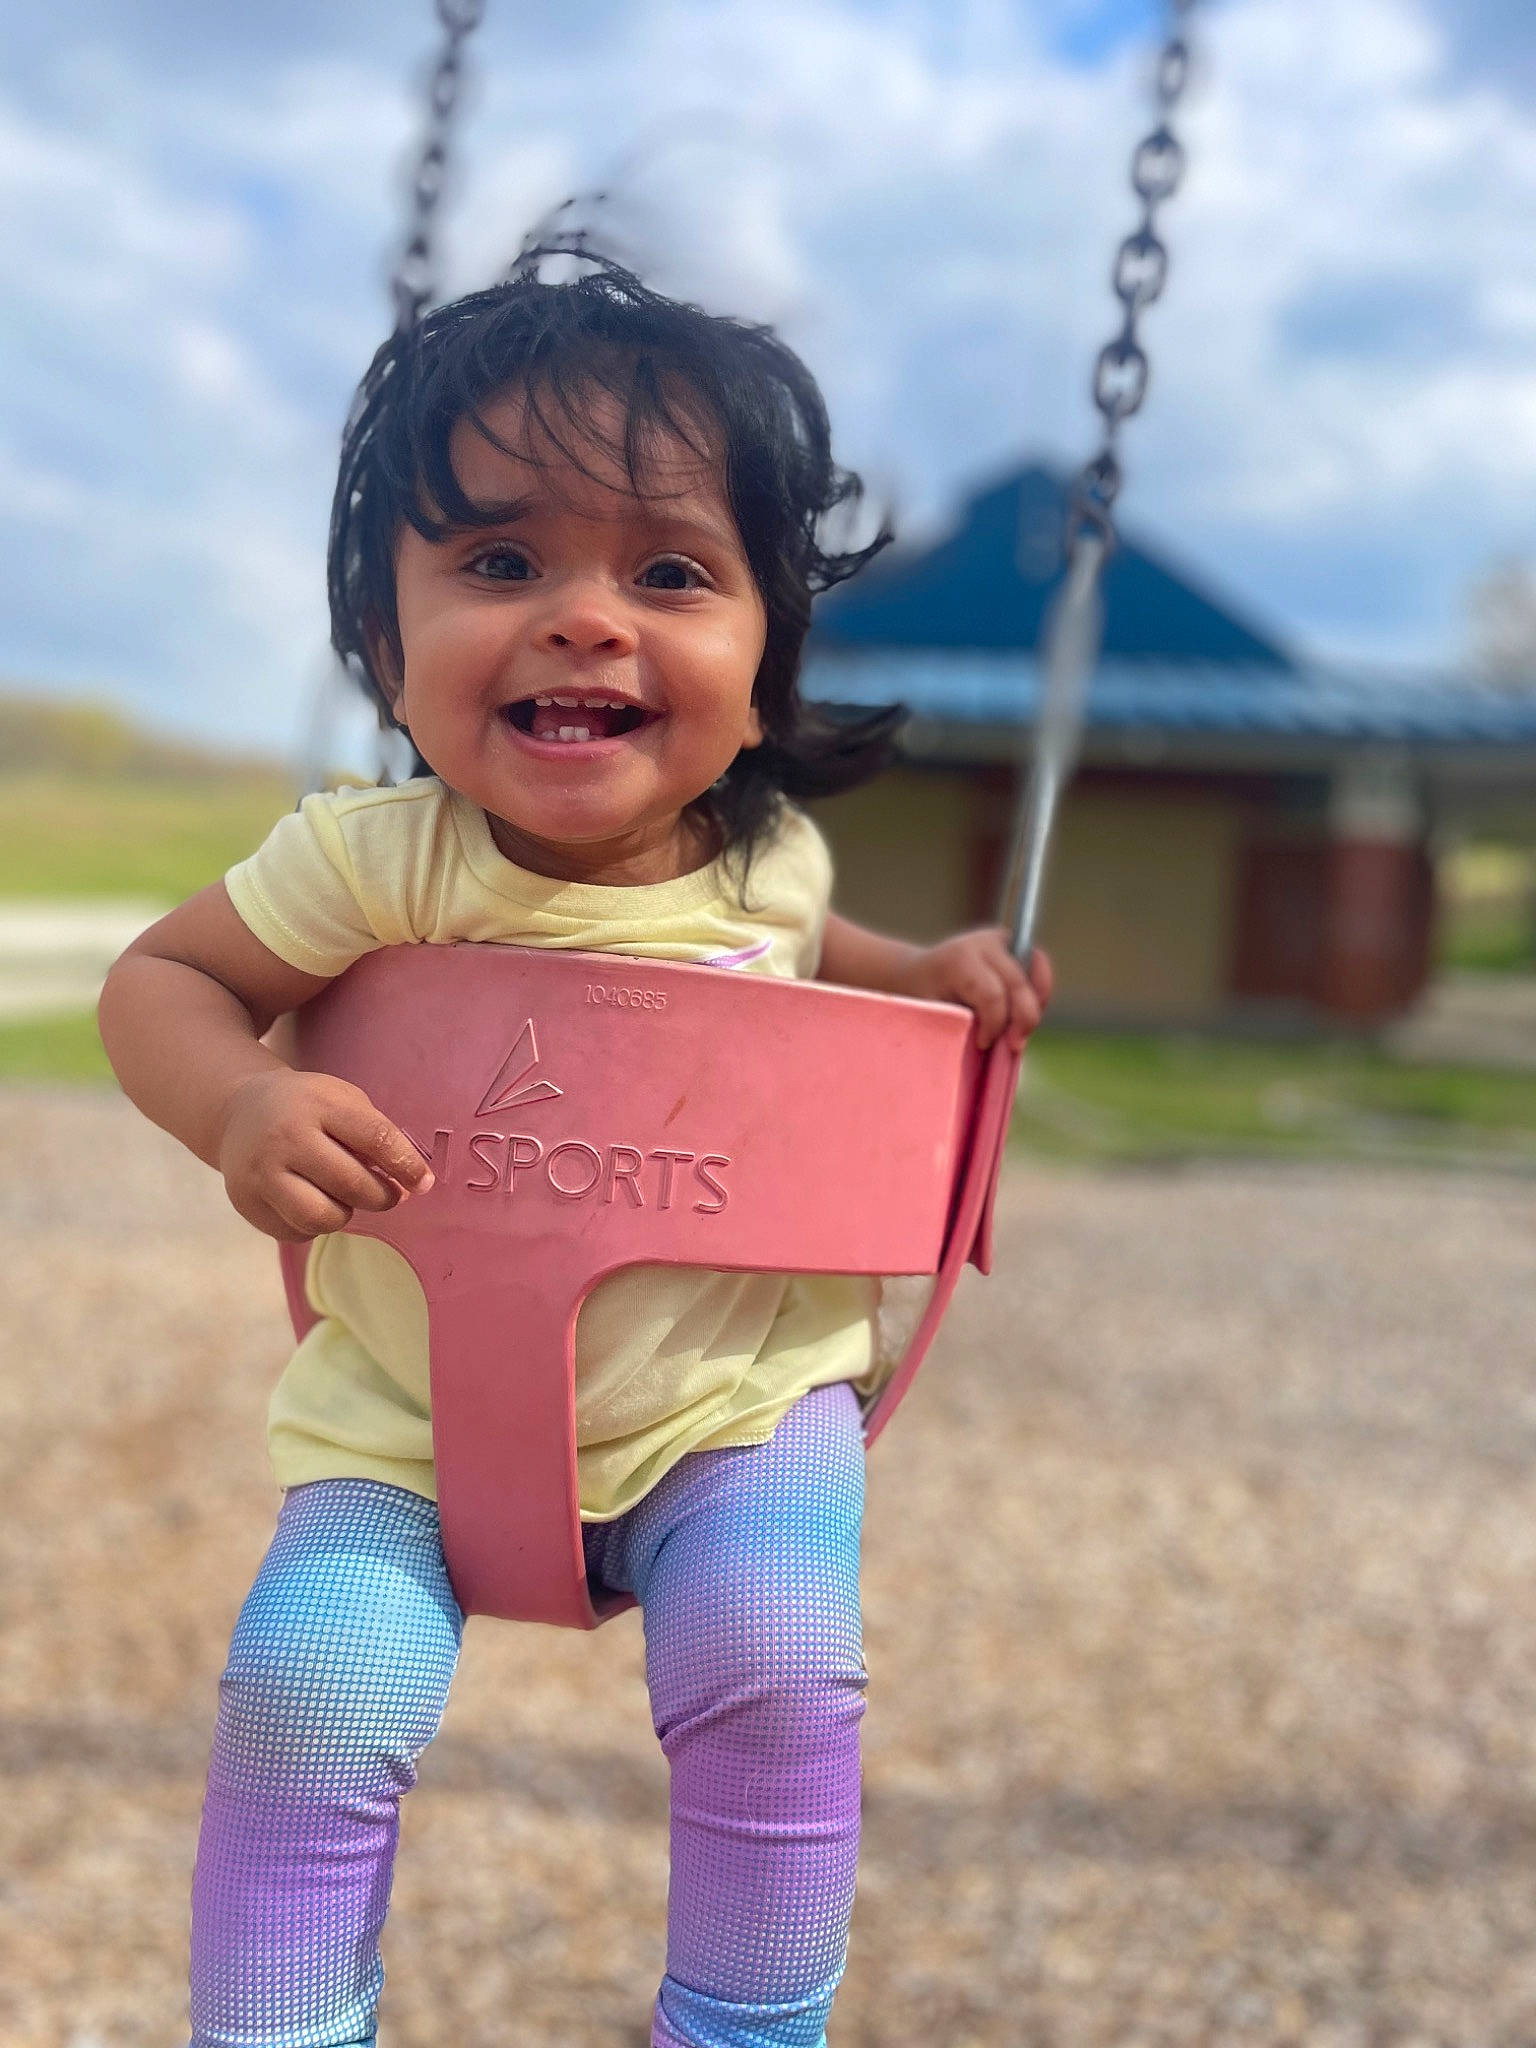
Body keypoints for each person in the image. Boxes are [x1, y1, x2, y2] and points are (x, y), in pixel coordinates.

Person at [98, 255, 1052, 2048]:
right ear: (386, 646)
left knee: (778, 1661)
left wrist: (933, 981)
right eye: (500, 561)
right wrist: (237, 1101)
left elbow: (820, 972)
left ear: (765, 674)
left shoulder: (772, 871)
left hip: (729, 1404)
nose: (585, 619)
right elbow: (163, 982)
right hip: (412, 1415)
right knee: (305, 1695)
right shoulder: (373, 862)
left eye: (671, 572)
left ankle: (741, 2029)